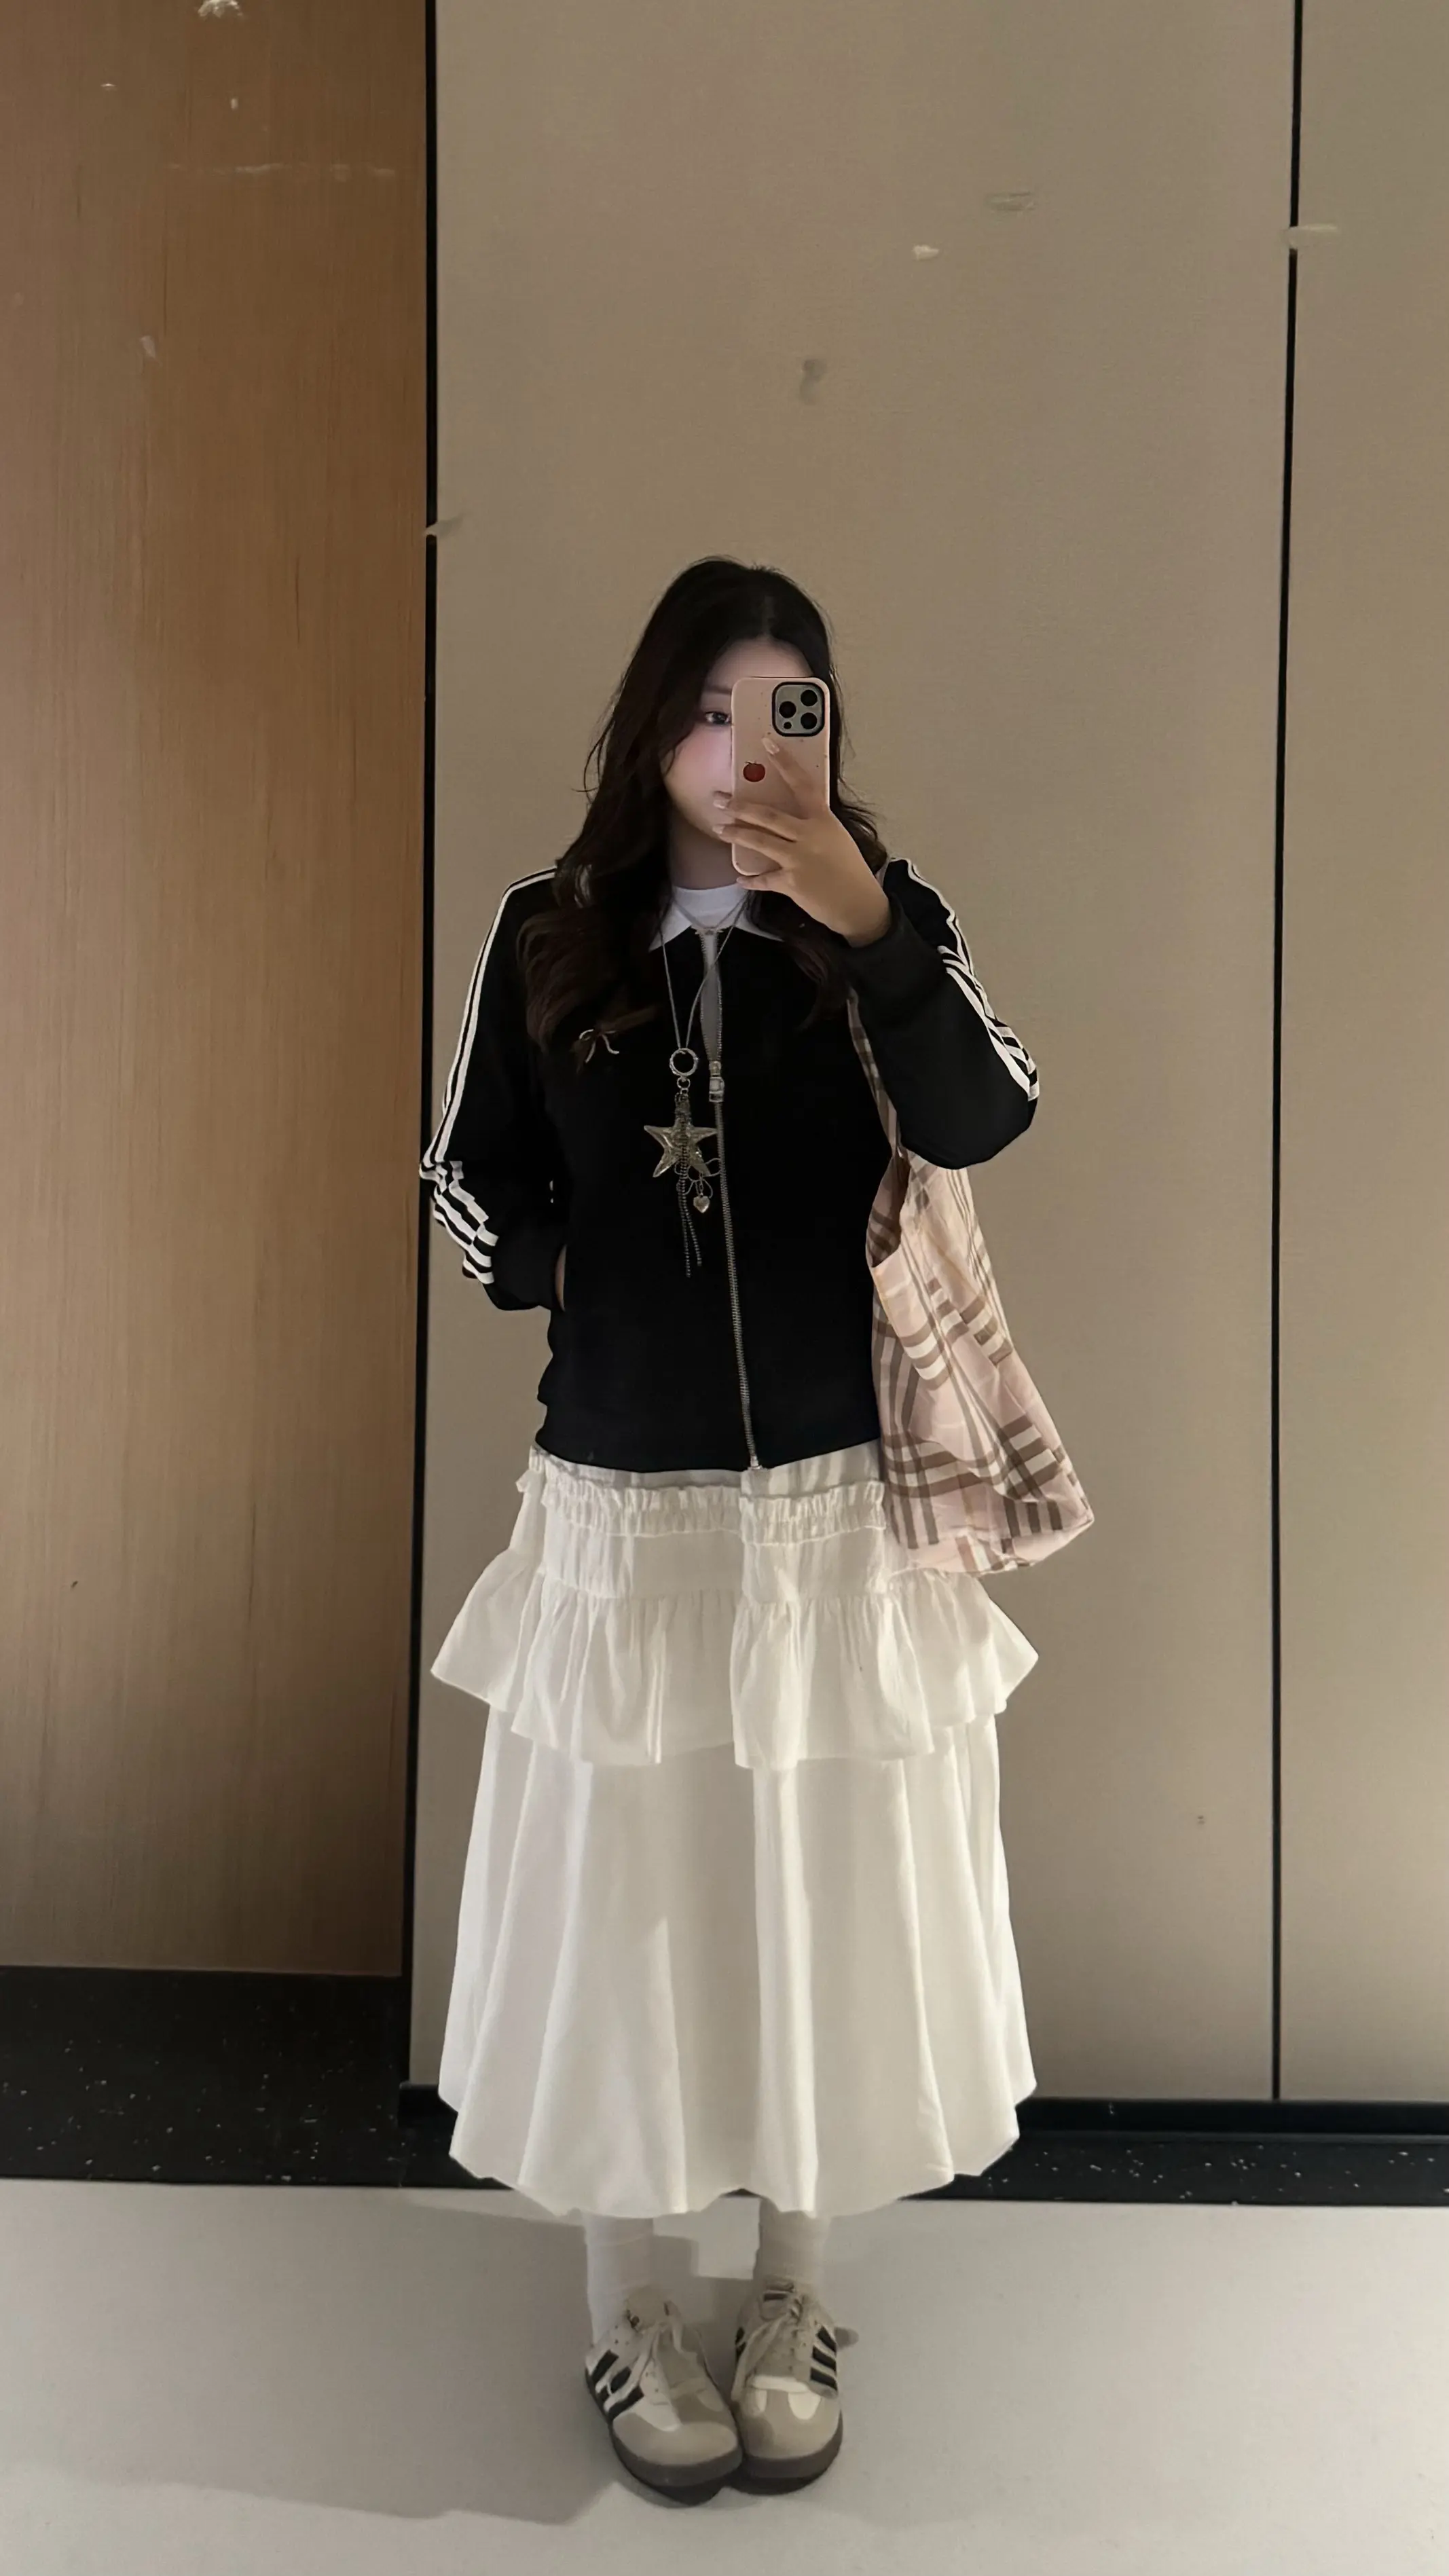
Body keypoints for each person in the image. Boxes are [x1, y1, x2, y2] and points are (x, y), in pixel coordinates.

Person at [420, 556, 1043, 2504]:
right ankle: (626, 2302)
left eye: (792, 709)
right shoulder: (547, 930)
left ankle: (793, 2294)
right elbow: (466, 1178)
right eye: (711, 707)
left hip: (833, 1525)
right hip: (624, 1513)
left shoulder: (880, 920)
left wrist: (867, 925)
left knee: (818, 1901)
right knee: (628, 1910)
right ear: (652, 726)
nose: (747, 747)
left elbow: (991, 1113)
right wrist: (561, 1261)